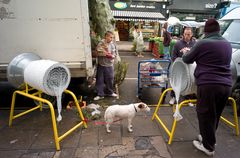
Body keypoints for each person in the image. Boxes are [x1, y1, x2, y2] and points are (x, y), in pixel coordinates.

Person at [182, 18, 232, 156]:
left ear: (205, 31)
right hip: (226, 85)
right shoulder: (227, 44)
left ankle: (208, 147)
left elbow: (187, 59)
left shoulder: (202, 43)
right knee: (215, 115)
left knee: (204, 114)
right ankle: (209, 139)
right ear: (218, 30)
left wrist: (187, 51)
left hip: (209, 85)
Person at [169, 27, 196, 105]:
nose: (187, 36)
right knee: (176, 81)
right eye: (185, 34)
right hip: (179, 67)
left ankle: (187, 99)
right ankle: (173, 97)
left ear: (191, 34)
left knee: (189, 82)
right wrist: (178, 62)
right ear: (183, 34)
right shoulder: (178, 43)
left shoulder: (194, 43)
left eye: (189, 34)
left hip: (190, 67)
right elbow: (173, 56)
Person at [94, 31, 118, 101]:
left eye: (112, 37)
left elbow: (115, 53)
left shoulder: (112, 44)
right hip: (101, 65)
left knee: (110, 79)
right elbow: (97, 52)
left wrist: (112, 56)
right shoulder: (101, 43)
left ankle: (110, 92)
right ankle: (100, 94)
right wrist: (106, 54)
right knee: (100, 80)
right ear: (106, 37)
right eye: (110, 37)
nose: (111, 39)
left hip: (109, 65)